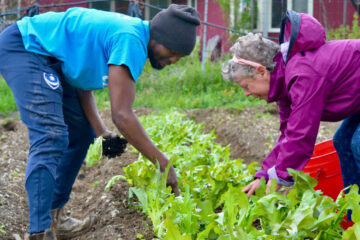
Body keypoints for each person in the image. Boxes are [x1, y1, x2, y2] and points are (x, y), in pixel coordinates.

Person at [0, 4, 200, 240]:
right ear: (160, 37)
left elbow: (81, 82)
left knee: (81, 133)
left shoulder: (129, 35)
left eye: (181, 56)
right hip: (25, 47)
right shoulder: (131, 38)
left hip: (51, 59)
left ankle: (56, 216)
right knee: (51, 135)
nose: (174, 59)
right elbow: (122, 115)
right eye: (173, 51)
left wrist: (100, 131)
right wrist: (163, 164)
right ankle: (40, 231)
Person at [222, 10, 360, 201]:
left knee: (358, 143)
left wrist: (278, 178)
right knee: (343, 141)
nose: (247, 93)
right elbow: (289, 133)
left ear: (261, 71)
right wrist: (264, 175)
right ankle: (356, 215)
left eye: (246, 86)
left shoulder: (303, 74)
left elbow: (301, 135)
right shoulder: (285, 83)